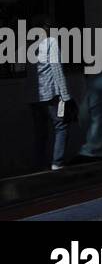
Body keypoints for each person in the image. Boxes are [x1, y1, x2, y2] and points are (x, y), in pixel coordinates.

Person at [25, 15, 72, 172]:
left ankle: (38, 165)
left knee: (40, 132)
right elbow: (56, 69)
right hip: (51, 95)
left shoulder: (29, 44)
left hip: (33, 96)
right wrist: (66, 96)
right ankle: (57, 163)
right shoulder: (51, 42)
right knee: (61, 125)